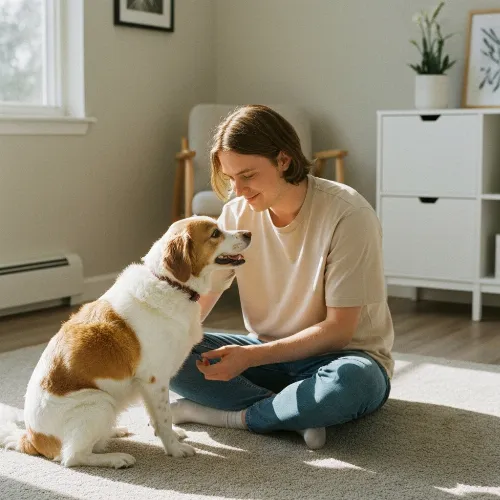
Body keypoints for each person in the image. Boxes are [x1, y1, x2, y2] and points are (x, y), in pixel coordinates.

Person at [170, 104, 394, 450]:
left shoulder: (349, 214)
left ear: (284, 160)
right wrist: (159, 337)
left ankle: (233, 416)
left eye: (248, 175)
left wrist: (250, 359)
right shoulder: (236, 212)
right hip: (265, 353)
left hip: (343, 357)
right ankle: (292, 412)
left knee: (352, 384)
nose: (239, 190)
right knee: (170, 348)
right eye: (231, 179)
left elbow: (339, 331)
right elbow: (204, 296)